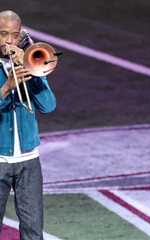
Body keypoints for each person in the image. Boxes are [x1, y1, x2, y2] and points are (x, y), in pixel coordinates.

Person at [0, 10, 56, 239]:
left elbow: (48, 105)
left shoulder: (29, 63)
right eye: (3, 34)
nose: (9, 41)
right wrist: (7, 87)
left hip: (29, 161)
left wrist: (35, 73)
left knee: (33, 231)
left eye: (14, 35)